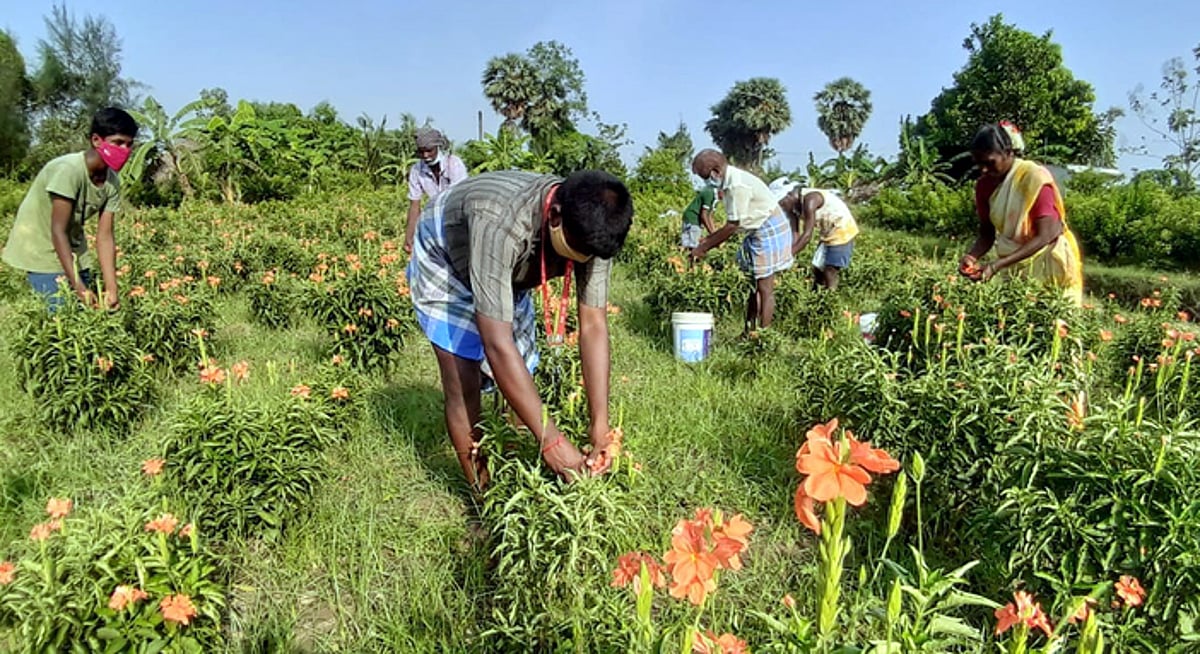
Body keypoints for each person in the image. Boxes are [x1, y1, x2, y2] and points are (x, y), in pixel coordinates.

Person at [406, 169, 633, 489]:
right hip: (447, 253)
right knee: (463, 379)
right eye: (572, 255)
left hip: (505, 259)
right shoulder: (501, 224)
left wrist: (600, 427)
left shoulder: (597, 226)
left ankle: (516, 469)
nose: (582, 264)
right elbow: (496, 343)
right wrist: (553, 443)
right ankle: (483, 496)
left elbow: (593, 325)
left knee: (522, 368)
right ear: (554, 216)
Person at [2, 107, 137, 309]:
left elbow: (105, 236)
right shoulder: (68, 170)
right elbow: (58, 230)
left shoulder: (112, 182)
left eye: (129, 144)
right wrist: (79, 287)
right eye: (117, 143)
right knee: (60, 313)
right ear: (96, 140)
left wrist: (112, 289)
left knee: (85, 311)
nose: (124, 150)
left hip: (72, 245)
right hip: (41, 246)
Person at [959, 122, 1083, 306]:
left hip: (1048, 263)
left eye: (990, 162)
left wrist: (996, 266)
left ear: (1008, 152)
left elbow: (1046, 234)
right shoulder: (984, 186)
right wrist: (972, 256)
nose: (984, 170)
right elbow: (986, 233)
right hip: (1015, 266)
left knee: (1057, 324)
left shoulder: (1034, 178)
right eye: (979, 164)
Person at [689, 149, 794, 332]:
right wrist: (708, 241)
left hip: (769, 227)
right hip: (757, 228)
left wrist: (704, 247)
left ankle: (763, 337)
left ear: (715, 171)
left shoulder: (737, 186)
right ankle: (749, 331)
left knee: (764, 287)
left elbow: (732, 225)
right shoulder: (729, 182)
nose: (706, 181)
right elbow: (734, 224)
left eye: (705, 176)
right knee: (753, 284)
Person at [770, 178, 859, 291]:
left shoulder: (811, 200)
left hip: (842, 230)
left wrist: (787, 257)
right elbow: (795, 234)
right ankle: (815, 297)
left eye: (781, 203)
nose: (781, 207)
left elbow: (807, 235)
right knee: (817, 268)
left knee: (830, 270)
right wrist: (786, 256)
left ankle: (830, 299)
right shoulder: (792, 208)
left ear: (789, 195)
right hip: (827, 232)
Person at [403, 127, 468, 254]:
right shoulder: (417, 170)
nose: (425, 156)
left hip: (458, 214)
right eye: (421, 152)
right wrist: (409, 237)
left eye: (429, 151)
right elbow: (414, 205)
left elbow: (458, 199)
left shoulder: (453, 164)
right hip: (437, 217)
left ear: (437, 148)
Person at [680, 185, 717, 251]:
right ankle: (690, 259)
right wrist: (712, 234)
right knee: (693, 245)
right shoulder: (709, 194)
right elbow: (704, 215)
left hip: (694, 219)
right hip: (692, 219)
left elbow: (710, 216)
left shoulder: (716, 199)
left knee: (688, 244)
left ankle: (686, 258)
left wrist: (714, 233)